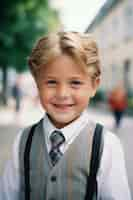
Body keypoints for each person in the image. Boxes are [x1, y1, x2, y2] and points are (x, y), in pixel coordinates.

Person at [0, 31, 131, 199]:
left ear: (93, 85)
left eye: (75, 82)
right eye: (51, 82)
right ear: (37, 84)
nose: (62, 93)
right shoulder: (23, 141)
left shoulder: (106, 145)